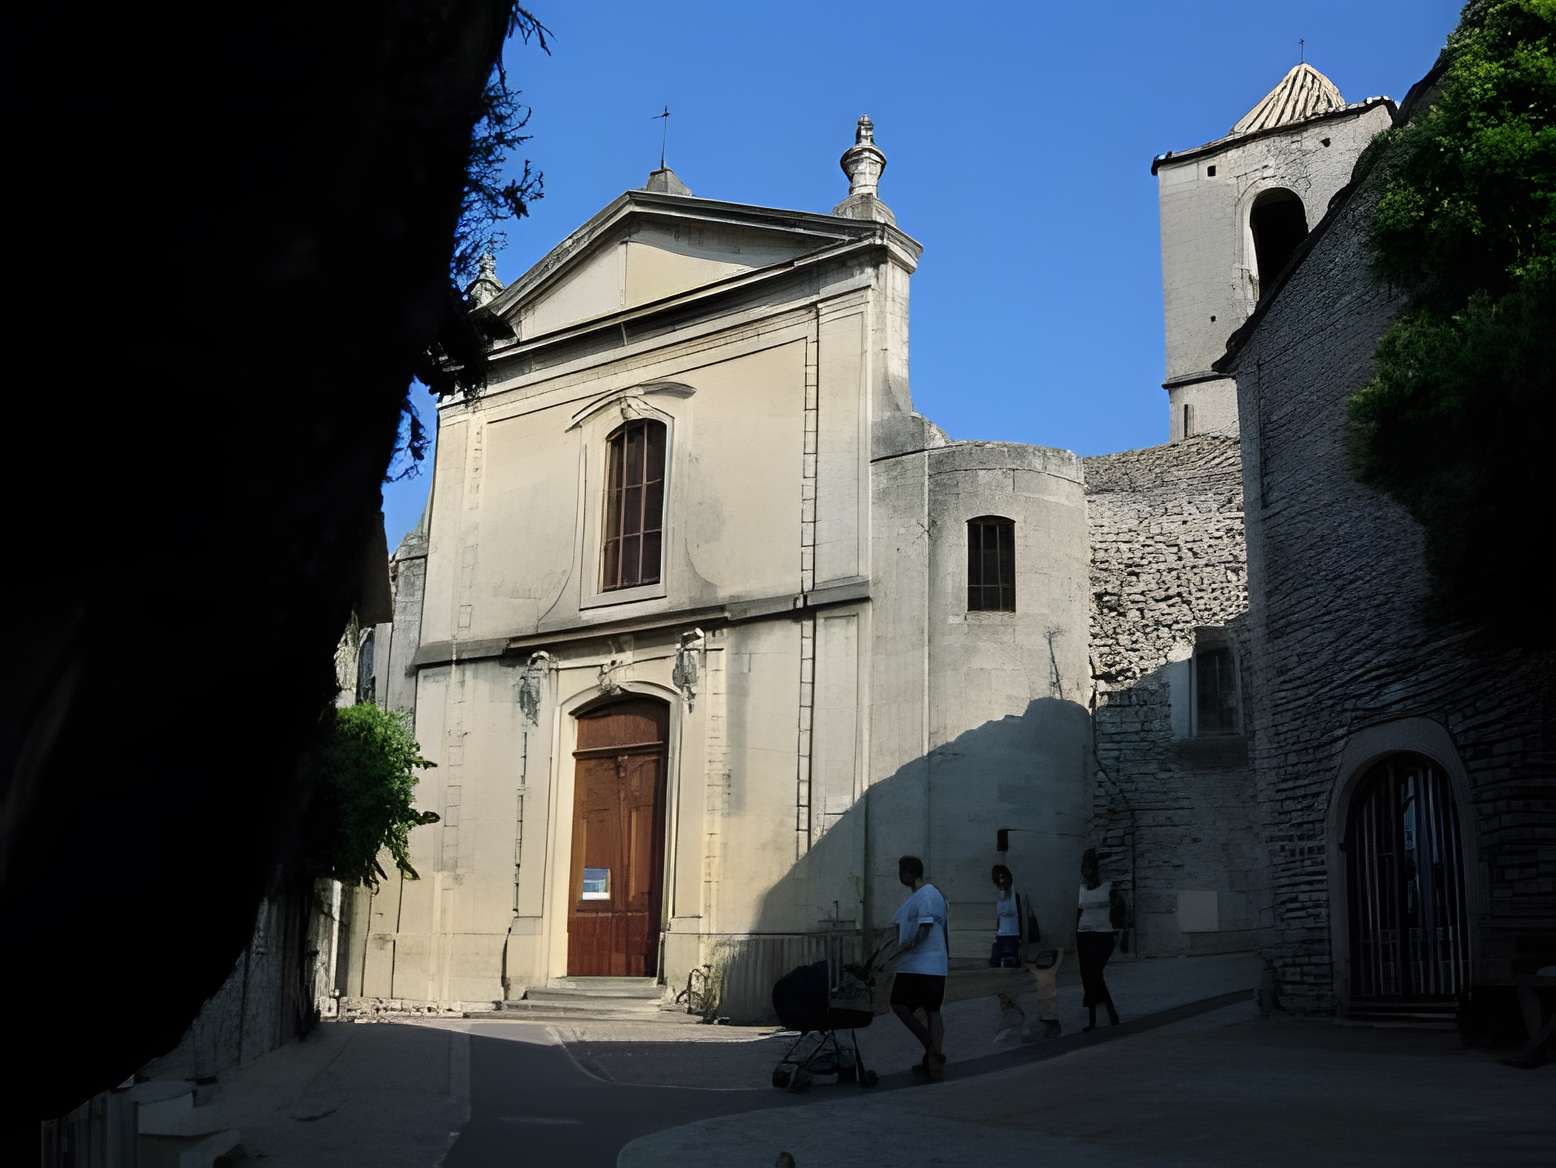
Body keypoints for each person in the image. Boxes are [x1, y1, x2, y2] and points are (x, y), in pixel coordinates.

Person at [888, 854, 949, 1080]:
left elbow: (925, 926)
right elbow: (896, 928)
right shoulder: (913, 899)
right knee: (930, 1011)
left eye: (901, 872)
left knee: (902, 1005)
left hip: (922, 964)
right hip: (916, 965)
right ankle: (933, 1059)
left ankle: (932, 1052)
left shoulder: (928, 894)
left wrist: (911, 943)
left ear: (908, 873)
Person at [1075, 848, 1124, 1031]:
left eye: (1088, 867)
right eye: (1083, 867)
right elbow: (1078, 914)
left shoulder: (1108, 888)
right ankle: (1098, 1019)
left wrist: (1120, 932)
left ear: (1095, 868)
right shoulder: (1081, 890)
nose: (1085, 871)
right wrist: (1076, 935)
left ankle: (1105, 1016)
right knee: (1090, 978)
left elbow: (1121, 909)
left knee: (1095, 975)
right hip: (1084, 936)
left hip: (1103, 935)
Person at [989, 864, 1023, 968]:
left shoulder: (1014, 896)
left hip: (1012, 934)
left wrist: (1020, 936)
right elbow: (999, 916)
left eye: (1003, 877)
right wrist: (996, 933)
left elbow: (1016, 915)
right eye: (999, 878)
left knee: (1010, 963)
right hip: (1002, 934)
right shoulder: (1000, 895)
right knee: (995, 963)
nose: (1001, 881)